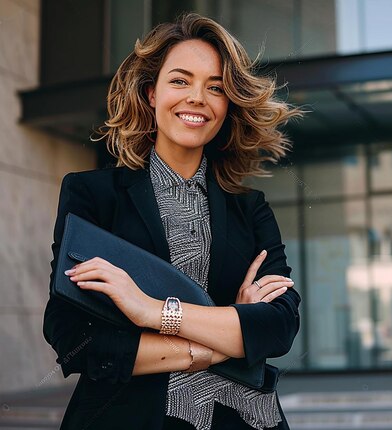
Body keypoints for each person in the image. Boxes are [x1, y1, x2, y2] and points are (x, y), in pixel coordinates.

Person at [42, 12, 302, 430]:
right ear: (150, 93)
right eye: (180, 80)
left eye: (215, 87)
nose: (197, 97)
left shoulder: (249, 207)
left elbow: (279, 326)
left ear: (227, 104)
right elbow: (74, 340)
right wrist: (227, 335)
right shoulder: (93, 196)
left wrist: (152, 312)